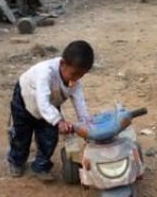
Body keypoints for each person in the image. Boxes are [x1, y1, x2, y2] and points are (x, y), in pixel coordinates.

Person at [7, 40, 93, 181]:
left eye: (81, 75)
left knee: (49, 137)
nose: (76, 79)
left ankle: (40, 166)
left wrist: (86, 126)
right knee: (22, 135)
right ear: (62, 64)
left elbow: (80, 105)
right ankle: (16, 161)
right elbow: (42, 102)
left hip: (51, 105)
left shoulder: (76, 83)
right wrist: (58, 121)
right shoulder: (45, 73)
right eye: (74, 74)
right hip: (25, 100)